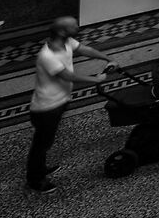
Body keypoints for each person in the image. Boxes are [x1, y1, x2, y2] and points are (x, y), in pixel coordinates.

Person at [27, 18, 116, 192]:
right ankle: (35, 179)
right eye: (73, 26)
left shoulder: (66, 41)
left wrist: (107, 58)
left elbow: (85, 49)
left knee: (45, 141)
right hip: (46, 108)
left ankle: (40, 168)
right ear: (62, 31)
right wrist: (95, 79)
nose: (77, 27)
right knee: (41, 144)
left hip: (60, 101)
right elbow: (68, 76)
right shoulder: (47, 56)